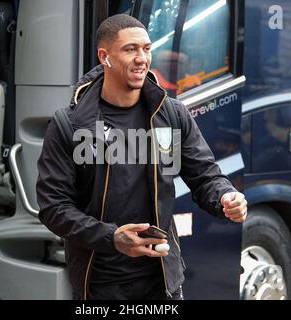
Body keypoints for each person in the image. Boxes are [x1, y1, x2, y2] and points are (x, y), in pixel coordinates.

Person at [36, 14, 247, 300]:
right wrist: (111, 238)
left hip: (163, 282)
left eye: (146, 49)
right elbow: (54, 207)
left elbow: (205, 176)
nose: (141, 58)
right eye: (130, 49)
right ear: (105, 57)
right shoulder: (70, 125)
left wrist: (225, 197)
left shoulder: (171, 115)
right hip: (99, 285)